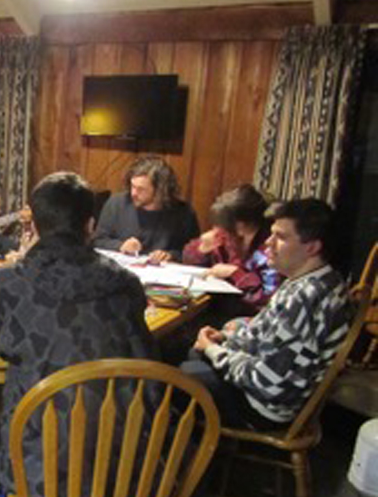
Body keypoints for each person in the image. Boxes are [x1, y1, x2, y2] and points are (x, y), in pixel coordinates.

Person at [0, 171, 157, 497]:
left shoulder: (9, 283)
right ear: (89, 224)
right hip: (120, 469)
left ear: (35, 224)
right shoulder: (126, 284)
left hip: (34, 466)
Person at [181, 199, 351, 429]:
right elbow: (270, 337)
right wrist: (227, 337)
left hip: (266, 408)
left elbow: (270, 383)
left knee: (174, 377)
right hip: (276, 391)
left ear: (312, 247)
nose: (268, 243)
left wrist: (214, 351)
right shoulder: (325, 279)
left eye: (280, 237)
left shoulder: (303, 299)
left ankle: (186, 456)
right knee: (193, 354)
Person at [183, 184, 281, 312]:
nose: (217, 231)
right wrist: (202, 249)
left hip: (249, 316)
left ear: (241, 226)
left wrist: (234, 273)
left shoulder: (269, 249)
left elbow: (268, 297)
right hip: (216, 305)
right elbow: (188, 258)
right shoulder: (225, 237)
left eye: (222, 226)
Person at [93, 155, 199, 262]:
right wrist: (121, 245)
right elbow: (98, 240)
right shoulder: (116, 203)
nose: (133, 193)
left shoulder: (183, 212)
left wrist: (171, 255)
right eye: (132, 186)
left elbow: (196, 253)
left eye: (141, 189)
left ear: (159, 191)